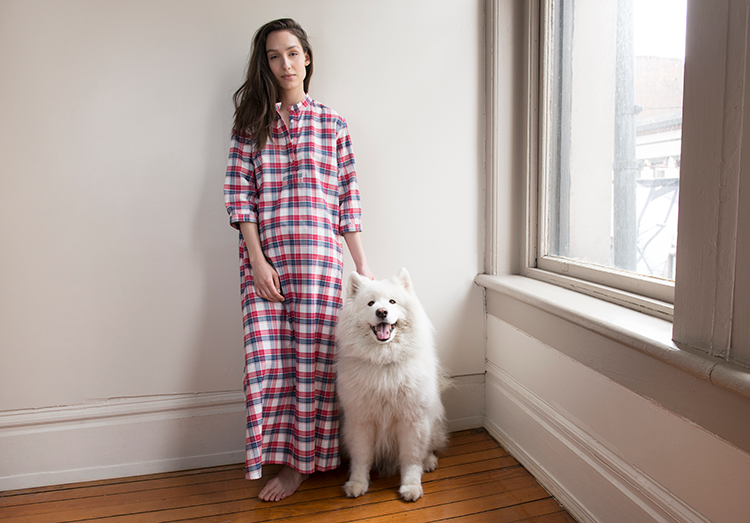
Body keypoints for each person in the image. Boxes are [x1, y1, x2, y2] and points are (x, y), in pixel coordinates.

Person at [223, 18, 374, 502]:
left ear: (306, 57)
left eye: (291, 53)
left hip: (321, 265)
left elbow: (347, 201)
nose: (284, 63)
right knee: (267, 365)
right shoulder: (251, 127)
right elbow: (238, 197)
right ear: (265, 65)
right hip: (265, 264)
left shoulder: (332, 124)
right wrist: (257, 258)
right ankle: (280, 459)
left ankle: (303, 465)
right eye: (273, 56)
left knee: (313, 364)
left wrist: (363, 271)